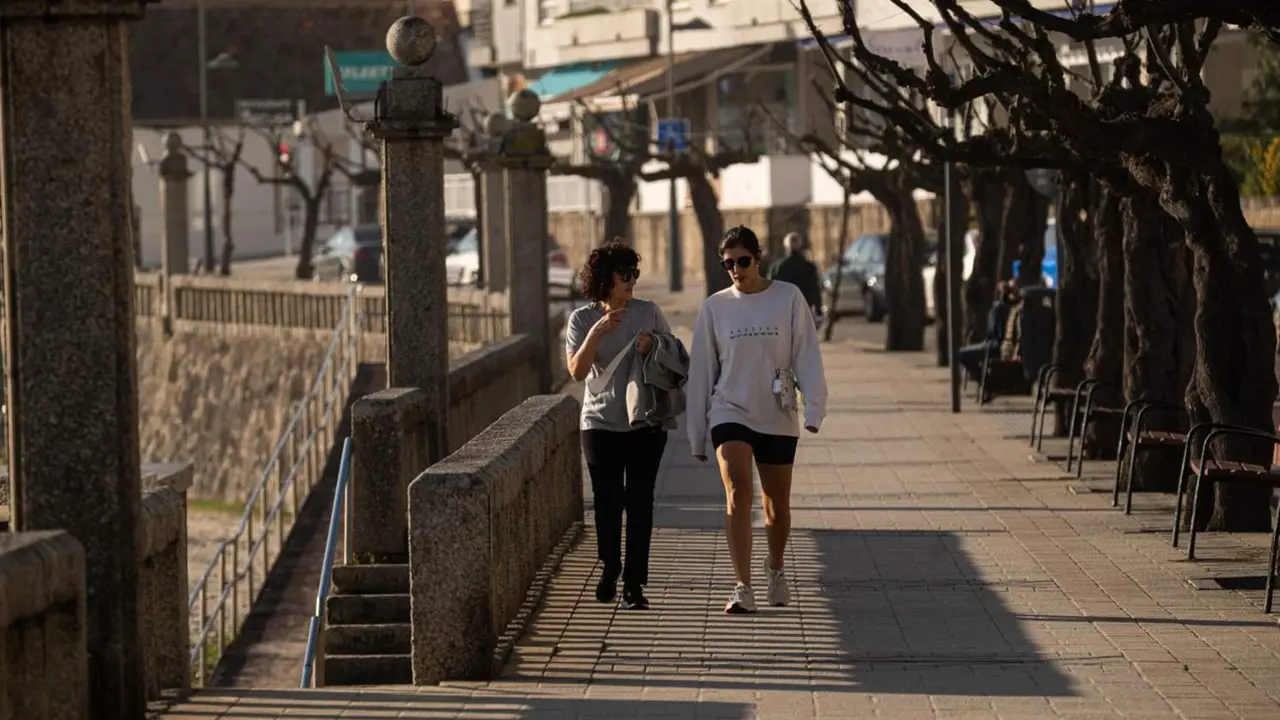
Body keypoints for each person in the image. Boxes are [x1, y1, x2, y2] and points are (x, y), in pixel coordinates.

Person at [686, 225, 829, 614]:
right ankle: (742, 586)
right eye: (728, 263)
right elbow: (701, 371)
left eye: (743, 261)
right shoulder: (715, 307)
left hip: (776, 413)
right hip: (729, 409)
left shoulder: (788, 298)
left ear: (758, 258)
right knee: (737, 493)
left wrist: (814, 406)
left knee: (776, 507)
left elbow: (806, 354)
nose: (736, 269)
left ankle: (776, 568)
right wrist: (697, 433)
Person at [565, 240, 674, 611]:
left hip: (644, 423)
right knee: (607, 503)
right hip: (598, 424)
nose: (631, 282)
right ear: (604, 279)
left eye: (634, 274)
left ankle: (633, 584)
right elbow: (577, 372)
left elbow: (674, 357)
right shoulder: (581, 320)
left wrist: (653, 346)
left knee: (640, 503)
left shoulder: (649, 312)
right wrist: (597, 333)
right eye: (624, 275)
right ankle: (610, 566)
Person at [957, 280, 1016, 382]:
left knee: (961, 354)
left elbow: (997, 335)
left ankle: (987, 382)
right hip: (999, 345)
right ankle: (986, 381)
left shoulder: (999, 308)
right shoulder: (1009, 308)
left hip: (996, 346)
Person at [768, 231, 824, 321]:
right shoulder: (809, 267)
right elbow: (814, 289)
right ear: (800, 246)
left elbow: (770, 290)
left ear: (785, 246)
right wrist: (818, 310)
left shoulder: (776, 267)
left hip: (782, 309)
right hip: (803, 308)